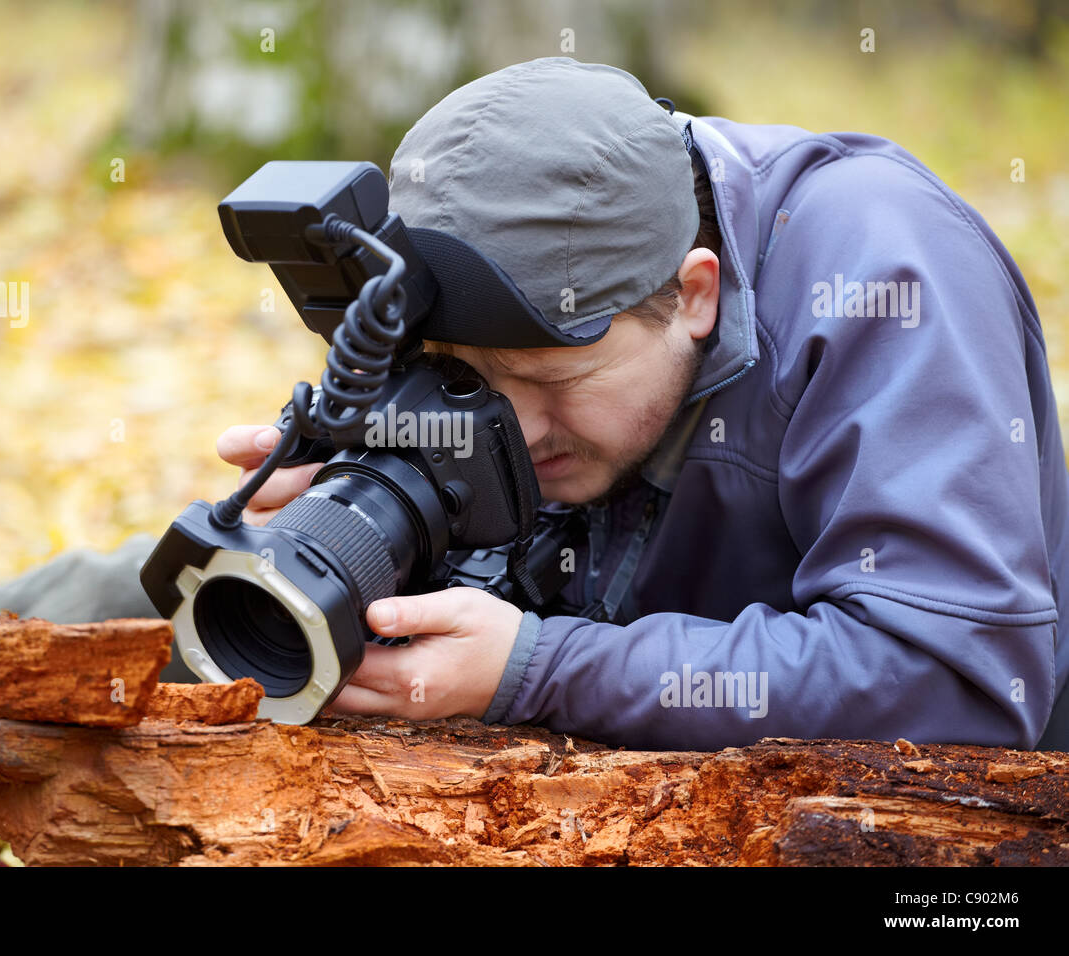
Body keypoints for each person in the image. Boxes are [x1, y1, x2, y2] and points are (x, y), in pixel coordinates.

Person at [221, 56, 1069, 752]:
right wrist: (349, 522)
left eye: (553, 383)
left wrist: (543, 668)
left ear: (693, 295)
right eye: (465, 384)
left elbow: (955, 681)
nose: (510, 438)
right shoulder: (507, 291)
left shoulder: (883, 275)